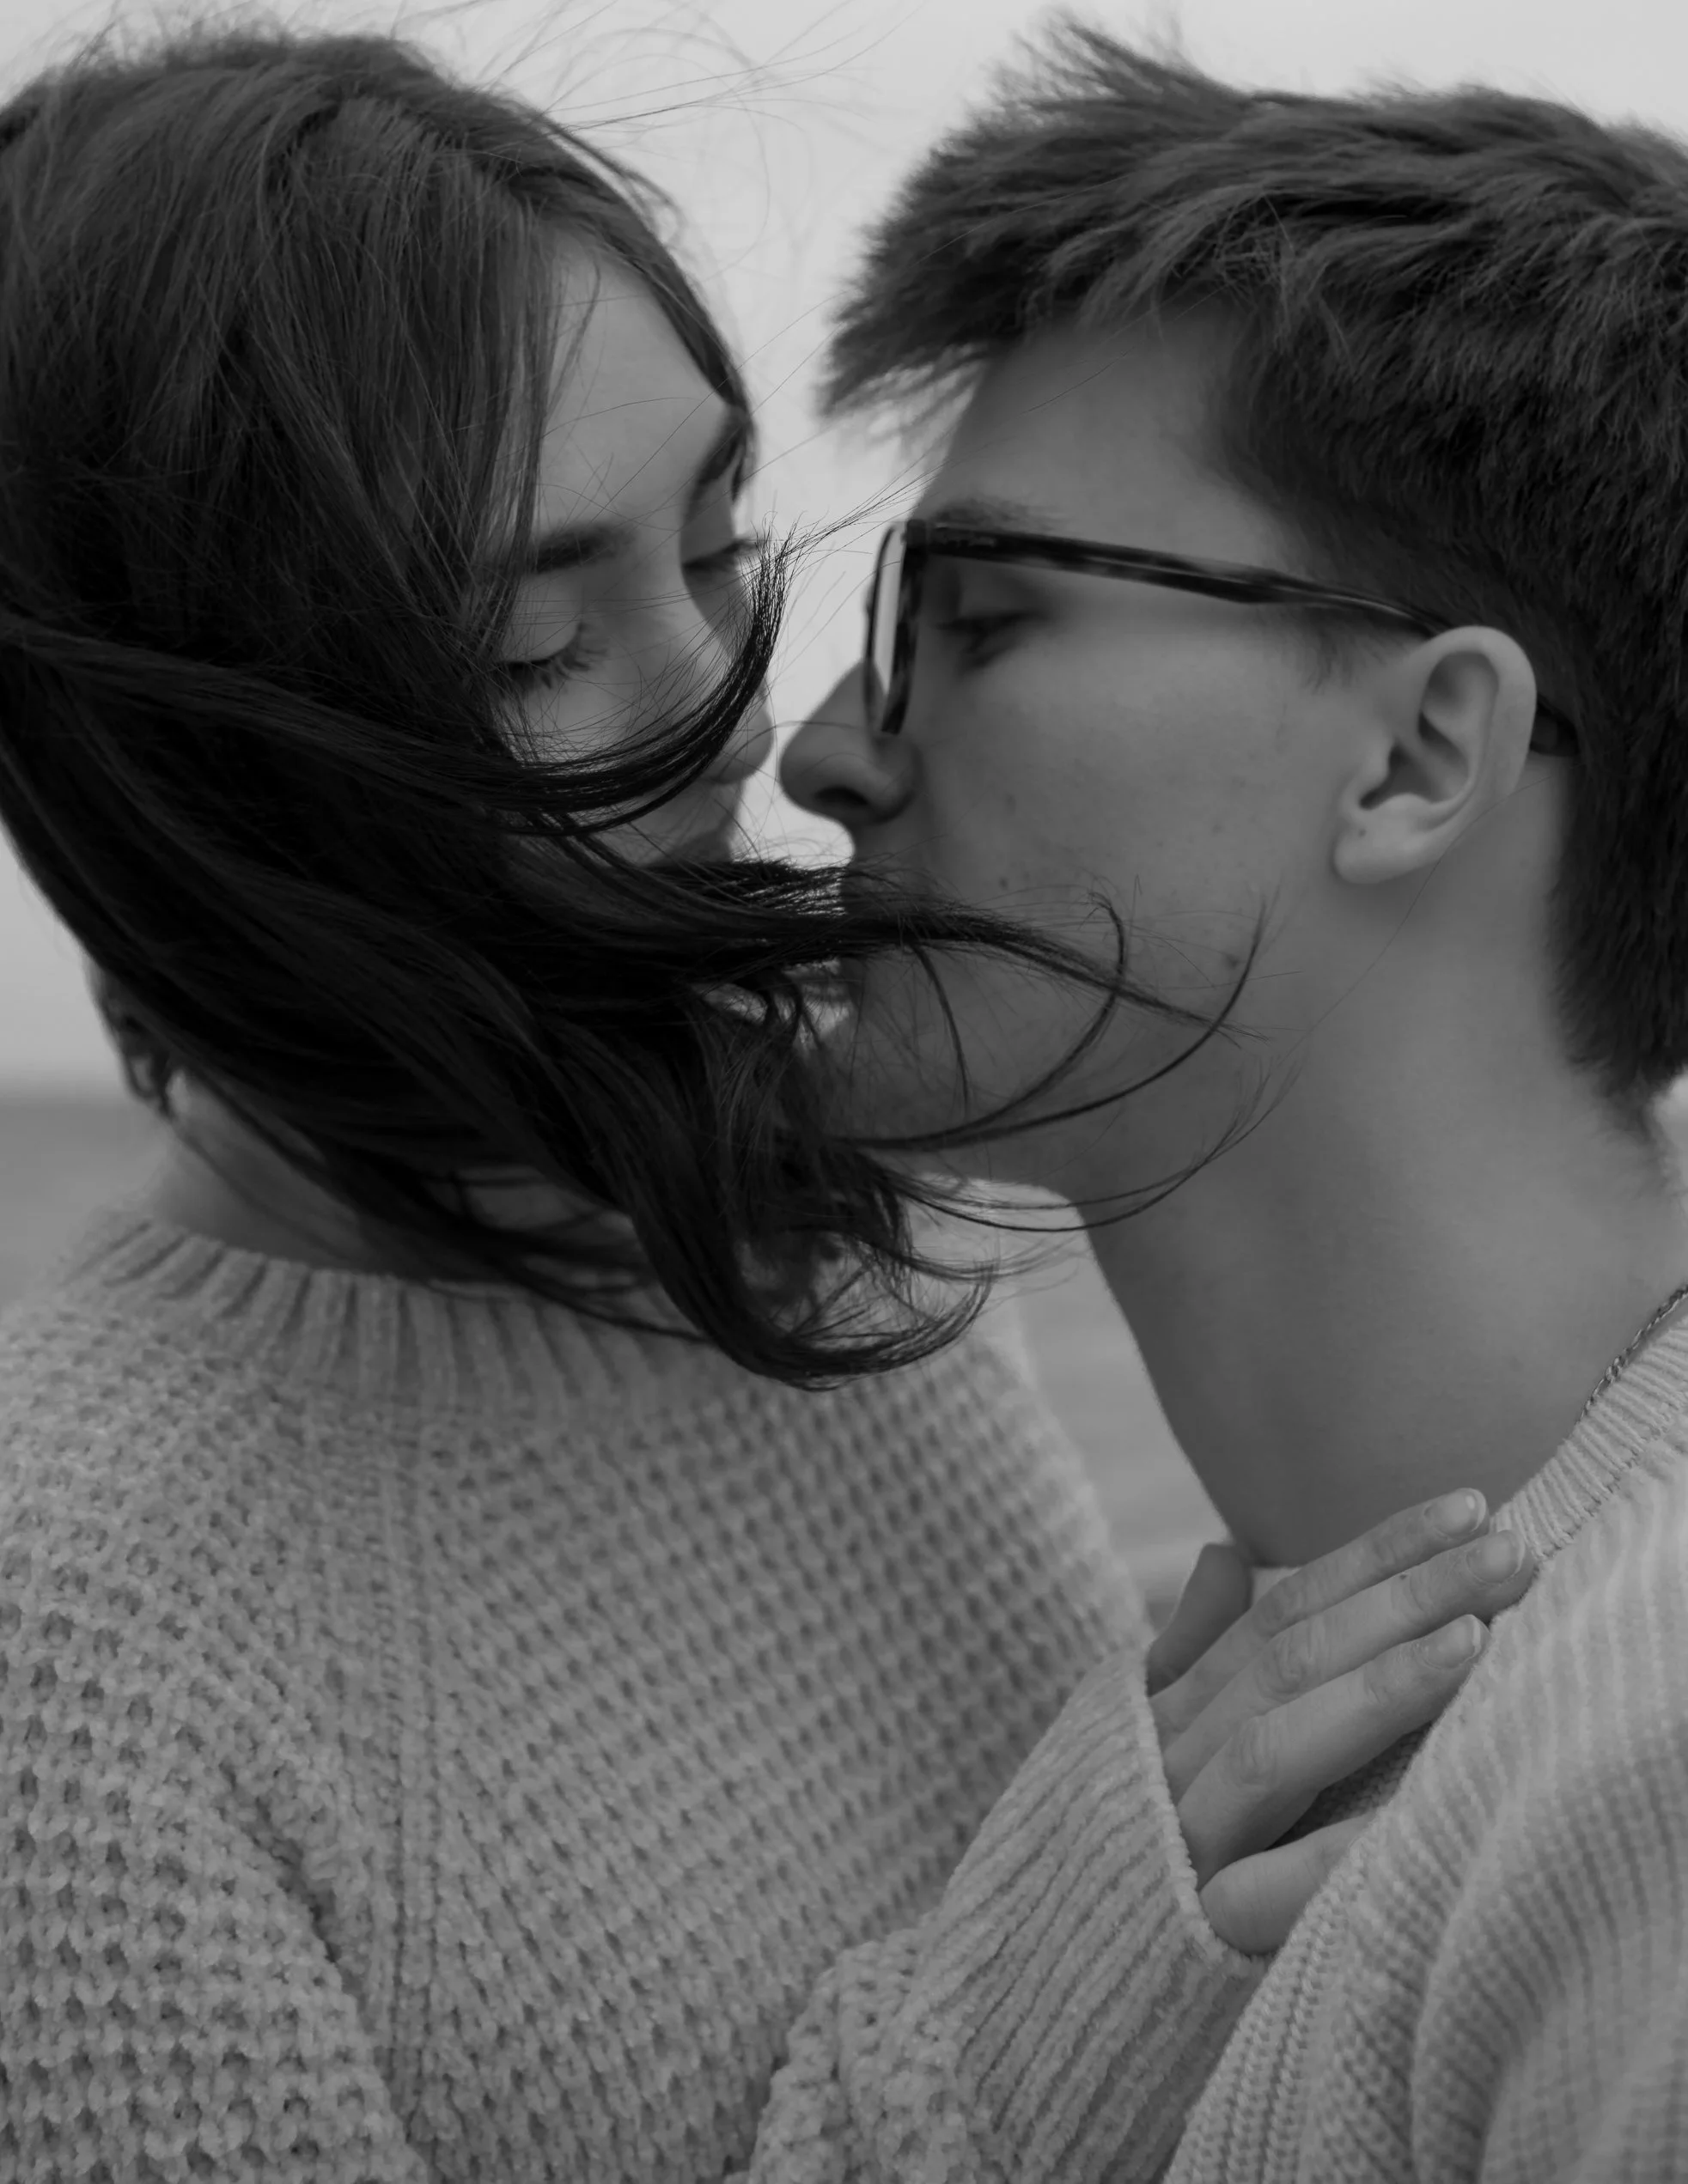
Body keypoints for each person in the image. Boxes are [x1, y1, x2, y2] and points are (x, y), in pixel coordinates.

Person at [0, 20, 1533, 2183]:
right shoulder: (64, 1657)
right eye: (536, 649)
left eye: (719, 537)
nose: (733, 711)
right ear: (197, 784)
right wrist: (1060, 1981)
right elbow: (1042, 1987)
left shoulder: (819, 1250)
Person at [779, 25, 1688, 2181]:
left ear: (1414, 759)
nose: (823, 743)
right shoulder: (1331, 1730)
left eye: (976, 616)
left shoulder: (1644, 1790)